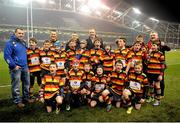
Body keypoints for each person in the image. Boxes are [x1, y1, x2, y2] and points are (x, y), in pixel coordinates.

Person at [4, 28, 33, 108]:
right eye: (19, 33)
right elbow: (6, 56)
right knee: (16, 85)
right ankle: (17, 101)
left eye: (22, 33)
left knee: (27, 84)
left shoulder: (23, 42)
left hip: (25, 67)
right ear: (15, 33)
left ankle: (26, 98)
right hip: (16, 68)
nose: (21, 35)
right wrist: (13, 66)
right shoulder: (10, 43)